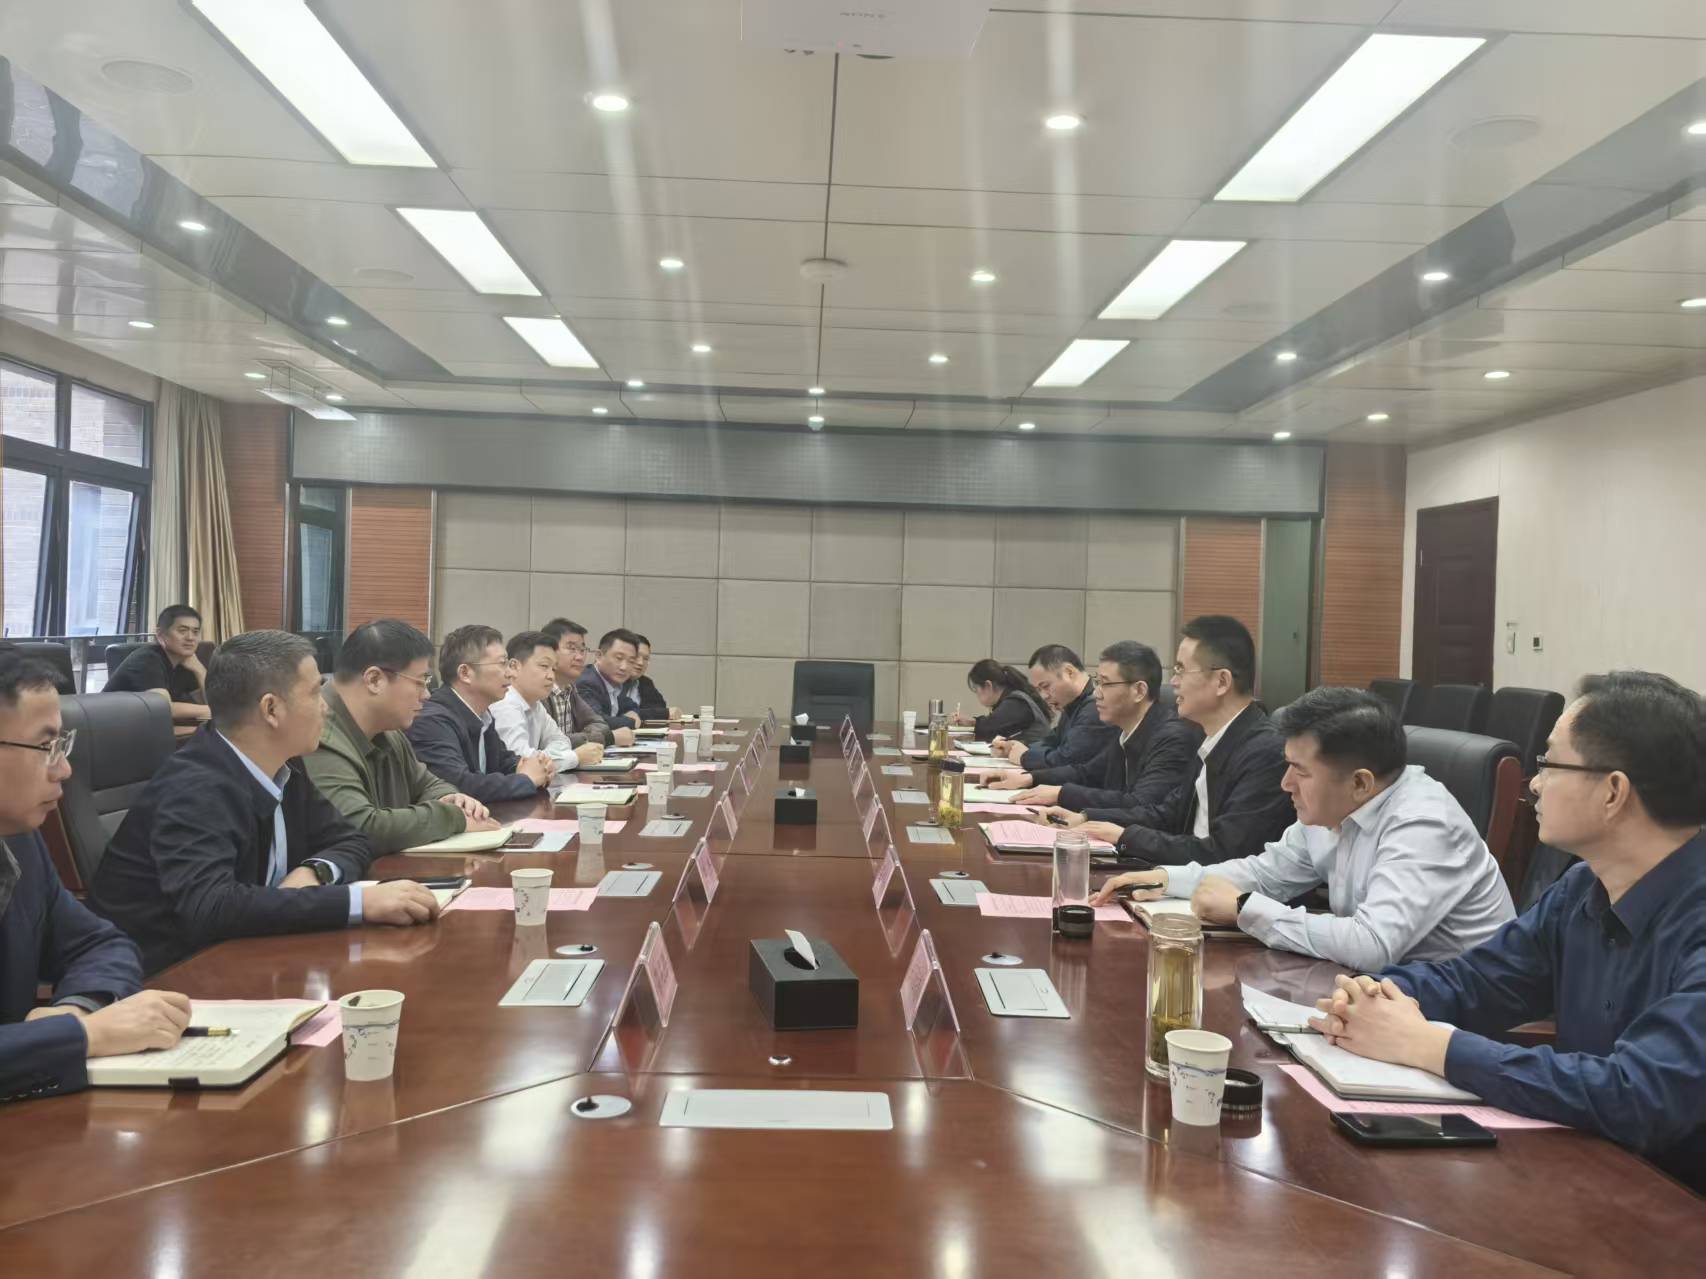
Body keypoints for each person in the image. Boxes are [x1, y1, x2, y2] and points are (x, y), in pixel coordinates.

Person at [1311, 671, 1706, 1191]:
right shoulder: (1582, 886)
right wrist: (1373, 995)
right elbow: (1480, 982)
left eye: (1549, 764)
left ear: (1613, 792)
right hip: (1589, 1170)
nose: (1534, 784)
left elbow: (1639, 1095)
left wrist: (1432, 1046)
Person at [91, 631, 439, 974]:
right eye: (315, 692)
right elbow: (212, 906)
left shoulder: (285, 764)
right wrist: (357, 902)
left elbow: (351, 839)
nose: (325, 707)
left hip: (254, 956)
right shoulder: (195, 787)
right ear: (271, 709)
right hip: (169, 977)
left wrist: (313, 873)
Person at [1095, 686, 1513, 969]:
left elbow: (1373, 945)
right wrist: (1169, 879)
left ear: (1360, 782)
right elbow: (1267, 873)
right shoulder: (1333, 808)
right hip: (1375, 991)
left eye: (1300, 771)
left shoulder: (1424, 823)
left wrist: (1244, 908)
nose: (1285, 784)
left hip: (1452, 1015)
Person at [0, 644, 193, 1100]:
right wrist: (83, 1035)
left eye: (62, 745)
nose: (64, 769)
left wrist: (76, 1009)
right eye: (46, 746)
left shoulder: (19, 842)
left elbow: (99, 944)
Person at [1054, 616, 1293, 866]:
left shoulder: (1264, 753)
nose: (1173, 682)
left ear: (1221, 682)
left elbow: (1225, 853)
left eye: (1181, 670)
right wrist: (1088, 818)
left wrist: (1127, 838)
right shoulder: (1212, 740)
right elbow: (1167, 814)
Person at [304, 620, 498, 855]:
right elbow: (360, 826)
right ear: (374, 680)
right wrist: (453, 817)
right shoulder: (317, 733)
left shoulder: (388, 729)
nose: (426, 695)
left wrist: (450, 797)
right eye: (420, 682)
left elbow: (428, 783)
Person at [996, 641, 1201, 820]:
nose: (1096, 693)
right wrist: (1032, 778)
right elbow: (1087, 773)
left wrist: (1062, 795)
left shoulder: (1171, 738)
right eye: (1097, 682)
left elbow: (1140, 803)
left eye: (1106, 684)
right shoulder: (1125, 730)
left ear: (1139, 691)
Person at [405, 625, 553, 804]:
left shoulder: (482, 713)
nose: (510, 673)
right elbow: (459, 786)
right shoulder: (432, 721)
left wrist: (533, 766)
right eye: (502, 663)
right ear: (465, 673)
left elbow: (502, 761)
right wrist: (526, 780)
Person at [492, 630, 604, 774]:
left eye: (553, 669)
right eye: (544, 666)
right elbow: (521, 764)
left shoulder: (535, 704)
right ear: (514, 667)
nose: (551, 676)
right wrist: (575, 757)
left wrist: (542, 757)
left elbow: (561, 741)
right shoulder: (505, 704)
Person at [989, 645, 1115, 771]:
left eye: (1046, 686)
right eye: (1039, 689)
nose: (1044, 696)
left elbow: (1067, 760)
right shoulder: (1074, 703)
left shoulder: (1096, 707)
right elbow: (1052, 741)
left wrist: (1025, 756)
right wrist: (1015, 747)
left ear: (1069, 672)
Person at [104, 604, 210, 724]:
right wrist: (211, 711)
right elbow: (163, 708)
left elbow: (209, 702)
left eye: (195, 632)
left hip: (149, 726)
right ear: (160, 634)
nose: (190, 638)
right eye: (182, 631)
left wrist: (199, 670)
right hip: (111, 727)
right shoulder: (147, 659)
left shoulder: (186, 661)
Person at [540, 618, 626, 749]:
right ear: (549, 651)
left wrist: (581, 738)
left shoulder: (569, 689)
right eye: (572, 648)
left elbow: (600, 724)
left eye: (582, 650)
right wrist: (604, 738)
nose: (580, 657)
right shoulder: (539, 692)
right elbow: (548, 743)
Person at [955, 659, 1050, 744]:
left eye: (976, 689)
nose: (977, 694)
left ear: (988, 685)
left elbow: (990, 729)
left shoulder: (1016, 702)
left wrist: (974, 723)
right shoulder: (1012, 699)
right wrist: (973, 722)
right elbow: (994, 723)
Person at [576, 628, 644, 730]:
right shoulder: (586, 682)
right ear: (599, 656)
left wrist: (633, 713)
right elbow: (597, 722)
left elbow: (632, 707)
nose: (624, 667)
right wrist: (631, 721)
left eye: (631, 661)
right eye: (619, 658)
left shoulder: (615, 683)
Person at [625, 635, 679, 722]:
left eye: (645, 658)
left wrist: (658, 713)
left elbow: (660, 707)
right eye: (636, 656)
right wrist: (663, 713)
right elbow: (621, 714)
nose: (641, 663)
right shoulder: (613, 681)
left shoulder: (645, 682)